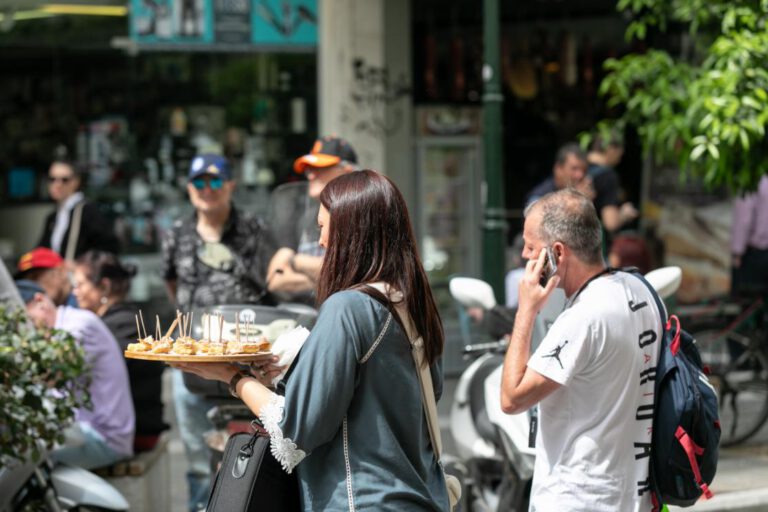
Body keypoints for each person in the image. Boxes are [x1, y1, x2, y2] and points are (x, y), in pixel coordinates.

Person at [173, 170, 449, 510]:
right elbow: (400, 395)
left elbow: (294, 433)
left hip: (359, 501)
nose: (320, 243)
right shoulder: (413, 303)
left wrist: (232, 377)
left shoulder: (347, 307)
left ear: (352, 233)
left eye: (323, 228)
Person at [500, 189, 664, 511]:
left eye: (531, 247)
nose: (524, 256)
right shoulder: (640, 291)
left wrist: (526, 311)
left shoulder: (583, 319)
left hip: (579, 499)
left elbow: (511, 398)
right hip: (633, 498)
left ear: (557, 253)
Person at [161, 153, 279, 511]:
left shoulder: (253, 229)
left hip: (245, 360)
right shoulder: (177, 233)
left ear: (230, 184)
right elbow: (171, 281)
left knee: (257, 446)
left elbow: (273, 282)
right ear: (189, 187)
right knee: (198, 455)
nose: (206, 189)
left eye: (215, 181)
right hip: (195, 360)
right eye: (199, 181)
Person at [17, 279, 135, 470]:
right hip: (82, 433)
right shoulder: (63, 327)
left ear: (40, 301)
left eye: (24, 320)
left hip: (104, 439)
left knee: (18, 460)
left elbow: (47, 374)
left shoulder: (79, 324)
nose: (22, 330)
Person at [72, 250, 168, 452]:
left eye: (80, 285)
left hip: (137, 431)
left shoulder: (122, 324)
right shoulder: (121, 319)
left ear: (104, 286)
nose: (75, 292)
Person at [267, 135, 359, 301]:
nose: (310, 176)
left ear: (348, 172)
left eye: (320, 168)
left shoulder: (362, 214)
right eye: (309, 169)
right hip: (305, 315)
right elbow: (274, 280)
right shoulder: (304, 214)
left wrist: (295, 261)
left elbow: (351, 273)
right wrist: (326, 276)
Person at [37, 158, 119, 261]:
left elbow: (109, 246)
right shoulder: (53, 217)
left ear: (76, 182)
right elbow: (42, 250)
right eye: (52, 179)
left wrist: (83, 266)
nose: (57, 184)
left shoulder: (87, 211)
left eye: (64, 180)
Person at [586, 132, 638, 234]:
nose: (621, 155)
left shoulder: (577, 166)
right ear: (610, 149)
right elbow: (610, 223)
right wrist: (624, 214)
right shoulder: (608, 176)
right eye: (620, 151)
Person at [731, 175, 768, 295]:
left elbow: (744, 220)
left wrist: (737, 253)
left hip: (756, 255)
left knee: (750, 304)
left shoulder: (751, 182)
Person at [525, 143, 594, 207]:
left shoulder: (590, 193)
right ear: (558, 168)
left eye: (584, 170)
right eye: (574, 169)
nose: (580, 175)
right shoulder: (538, 198)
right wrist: (576, 200)